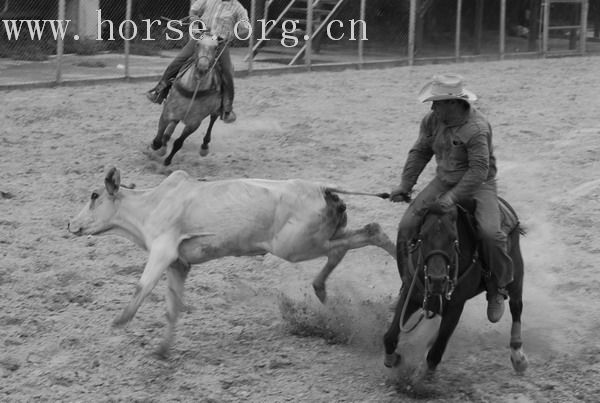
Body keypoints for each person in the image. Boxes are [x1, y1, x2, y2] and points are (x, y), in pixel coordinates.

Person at [389, 73, 513, 323]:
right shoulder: (432, 121)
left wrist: (452, 198)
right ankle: (408, 285)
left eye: (438, 102)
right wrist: (405, 184)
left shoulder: (477, 128)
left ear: (454, 103)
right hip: (444, 179)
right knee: (406, 226)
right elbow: (420, 151)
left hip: (480, 185)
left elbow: (478, 171)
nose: (433, 107)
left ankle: (497, 287)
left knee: (490, 234)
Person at [146, 0, 250, 124]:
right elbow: (194, 10)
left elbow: (246, 29)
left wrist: (234, 34)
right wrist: (195, 20)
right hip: (201, 37)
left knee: (227, 72)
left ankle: (227, 109)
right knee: (178, 60)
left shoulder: (238, 8)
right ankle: (160, 91)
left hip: (220, 43)